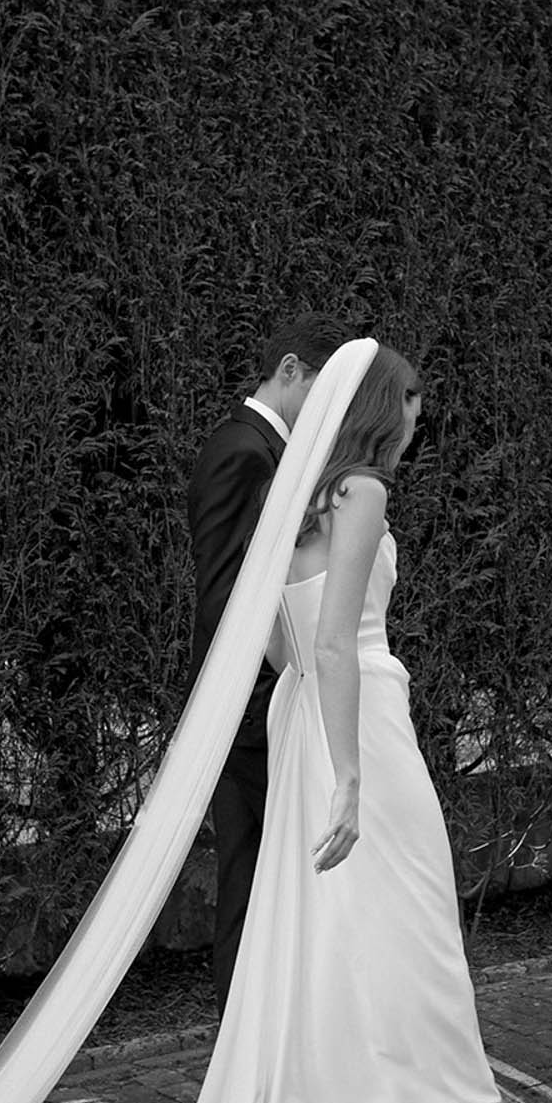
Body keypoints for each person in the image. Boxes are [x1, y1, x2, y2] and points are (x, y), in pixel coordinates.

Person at [74, 341, 552, 1103]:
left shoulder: (295, 500)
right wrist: (347, 772)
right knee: (408, 940)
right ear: (385, 410)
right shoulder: (363, 492)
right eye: (415, 408)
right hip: (358, 735)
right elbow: (340, 641)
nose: (420, 426)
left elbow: (278, 639)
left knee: (333, 950)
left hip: (302, 720)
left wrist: (314, 722)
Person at [186, 314, 348, 1013]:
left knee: (268, 879)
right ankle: (240, 1041)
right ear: (289, 370)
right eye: (320, 390)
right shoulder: (244, 452)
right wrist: (284, 676)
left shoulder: (260, 449)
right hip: (250, 709)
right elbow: (225, 596)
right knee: (251, 882)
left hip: (262, 706)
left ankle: (268, 1035)